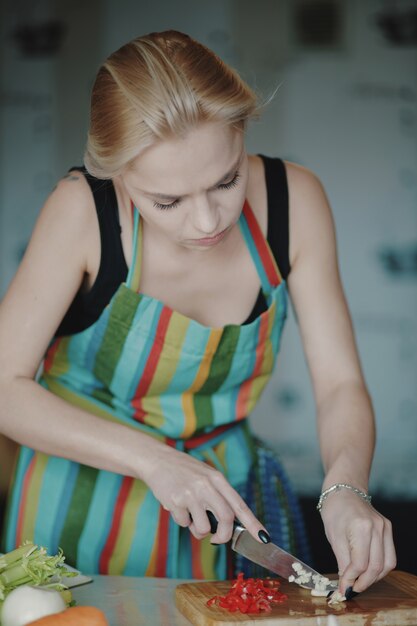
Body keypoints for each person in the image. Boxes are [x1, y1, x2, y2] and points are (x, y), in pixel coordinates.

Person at [0, 30, 395, 593]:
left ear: (242, 133)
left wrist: (346, 488)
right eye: (167, 202)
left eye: (227, 180)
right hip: (73, 503)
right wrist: (155, 461)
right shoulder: (81, 211)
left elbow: (340, 385)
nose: (208, 221)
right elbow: (5, 385)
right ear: (118, 177)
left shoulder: (294, 202)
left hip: (223, 510)